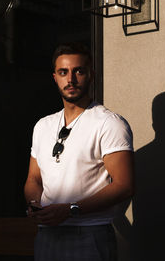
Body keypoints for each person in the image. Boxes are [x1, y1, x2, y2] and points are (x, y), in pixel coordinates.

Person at [24, 42, 134, 261]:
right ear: (55, 77)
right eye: (63, 72)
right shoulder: (42, 125)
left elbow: (125, 186)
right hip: (47, 234)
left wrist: (70, 209)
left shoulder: (109, 123)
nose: (71, 79)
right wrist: (35, 205)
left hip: (90, 233)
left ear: (91, 75)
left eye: (78, 71)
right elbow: (33, 178)